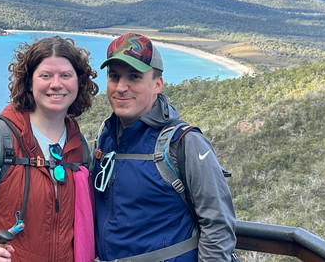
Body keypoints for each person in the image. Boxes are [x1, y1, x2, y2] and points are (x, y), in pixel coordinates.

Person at [0, 35, 99, 262]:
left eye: (66, 75)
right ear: (29, 82)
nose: (56, 84)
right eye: (45, 76)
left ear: (79, 82)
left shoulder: (79, 146)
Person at [92, 33, 238, 262]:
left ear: (157, 84)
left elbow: (218, 225)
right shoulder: (105, 138)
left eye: (134, 77)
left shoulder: (184, 143)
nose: (121, 87)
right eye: (114, 76)